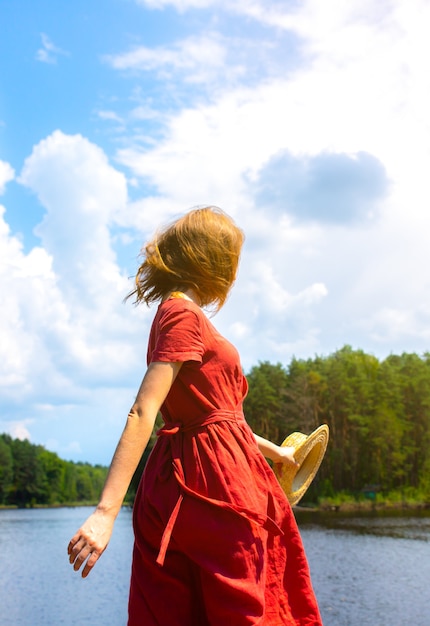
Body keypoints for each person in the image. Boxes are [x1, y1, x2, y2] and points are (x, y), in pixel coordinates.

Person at [68, 206, 323, 625]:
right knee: (242, 607)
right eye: (231, 260)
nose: (234, 276)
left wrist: (274, 452)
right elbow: (143, 410)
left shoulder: (178, 314)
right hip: (211, 483)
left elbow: (218, 416)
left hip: (201, 471)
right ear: (211, 259)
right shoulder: (184, 315)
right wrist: (105, 511)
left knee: (191, 609)